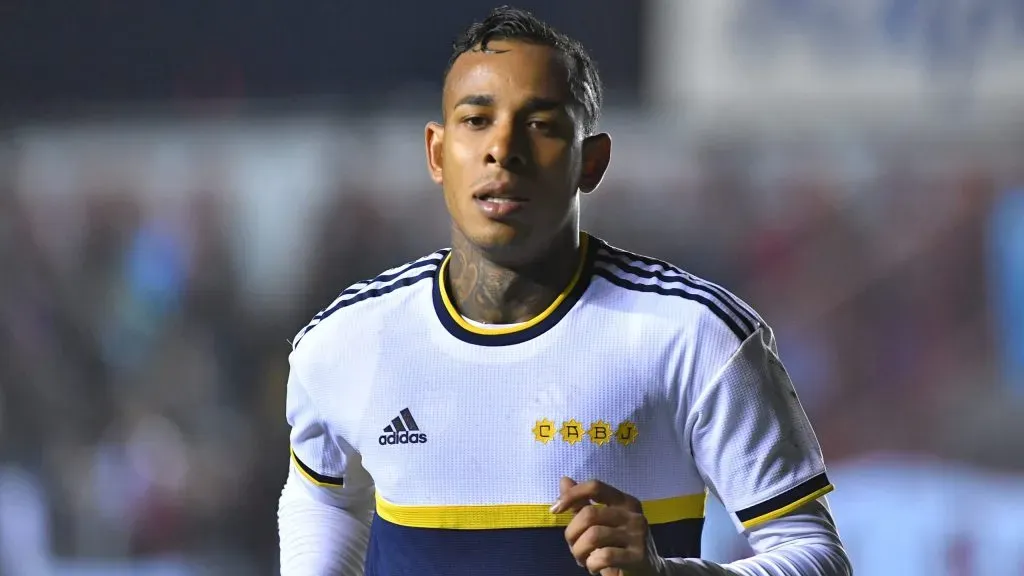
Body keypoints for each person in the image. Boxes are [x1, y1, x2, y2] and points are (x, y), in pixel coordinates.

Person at [278, 6, 852, 575]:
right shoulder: (344, 342)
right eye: (476, 120)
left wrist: (665, 574)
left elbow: (817, 557)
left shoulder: (695, 336)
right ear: (436, 152)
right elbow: (325, 498)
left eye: (541, 124)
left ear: (591, 162)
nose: (503, 149)